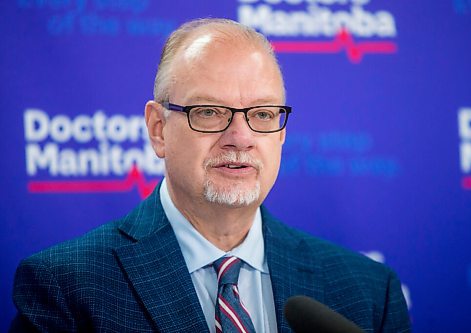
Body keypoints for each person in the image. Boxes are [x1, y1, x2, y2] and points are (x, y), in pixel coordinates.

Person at [10, 18, 411, 332]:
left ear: (281, 131)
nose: (241, 137)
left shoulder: (369, 293)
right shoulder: (65, 286)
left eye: (263, 114)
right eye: (209, 112)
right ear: (158, 129)